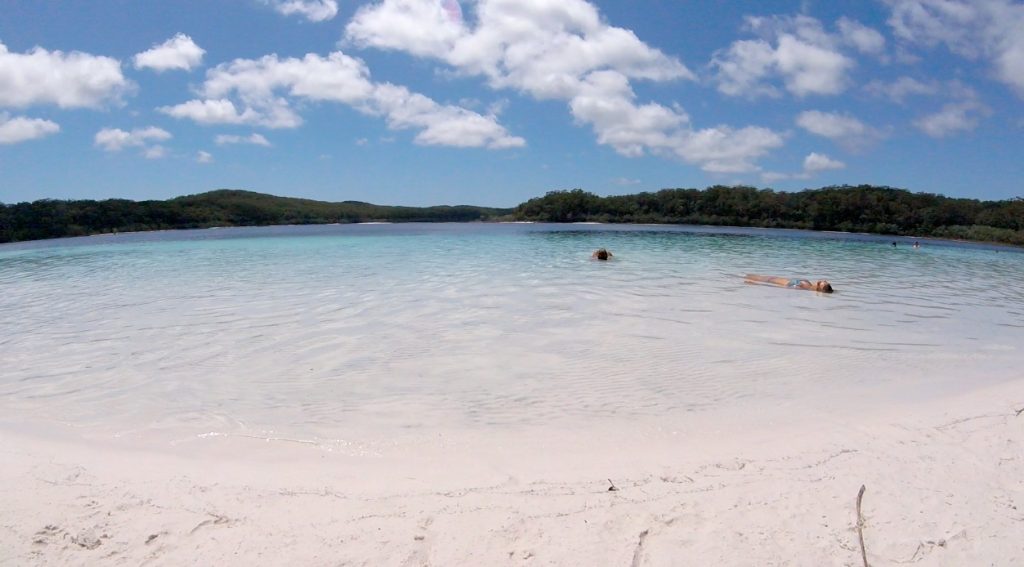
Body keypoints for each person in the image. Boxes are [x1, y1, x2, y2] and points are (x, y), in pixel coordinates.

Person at [744, 274, 834, 293]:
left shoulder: (802, 288)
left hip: (772, 281)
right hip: (774, 278)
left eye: (821, 283)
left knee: (748, 276)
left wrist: (756, 284)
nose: (824, 280)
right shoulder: (808, 285)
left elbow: (779, 288)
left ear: (818, 287)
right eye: (825, 281)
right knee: (748, 275)